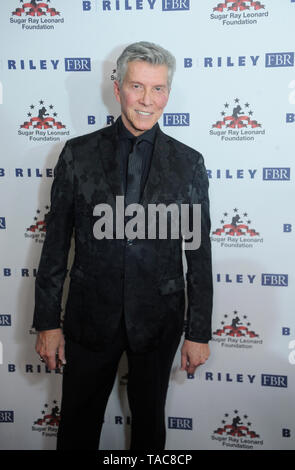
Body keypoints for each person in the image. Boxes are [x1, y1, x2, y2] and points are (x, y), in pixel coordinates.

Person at [33, 41, 213, 450]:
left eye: (158, 89)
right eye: (137, 87)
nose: (147, 100)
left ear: (168, 92)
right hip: (88, 318)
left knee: (150, 429)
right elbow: (56, 243)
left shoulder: (188, 163)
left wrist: (198, 331)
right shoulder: (78, 155)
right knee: (77, 426)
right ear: (118, 89)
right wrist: (47, 321)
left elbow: (198, 255)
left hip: (159, 320)